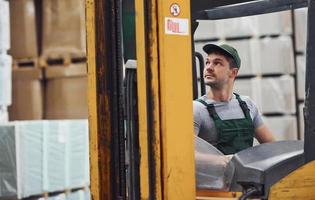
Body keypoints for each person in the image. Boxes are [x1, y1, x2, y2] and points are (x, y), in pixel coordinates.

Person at [193, 43, 274, 155]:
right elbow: (188, 155)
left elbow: (271, 146)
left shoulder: (247, 105)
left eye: (217, 63)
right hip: (215, 173)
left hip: (246, 172)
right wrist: (225, 162)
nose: (208, 68)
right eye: (207, 62)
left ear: (233, 72)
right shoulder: (197, 109)